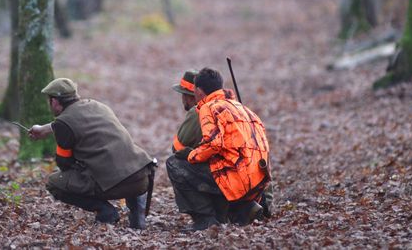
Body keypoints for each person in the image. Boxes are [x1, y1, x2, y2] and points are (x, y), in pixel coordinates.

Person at [29, 78, 155, 230]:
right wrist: (45, 129)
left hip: (115, 185)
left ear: (55, 102)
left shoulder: (63, 123)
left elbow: (64, 164)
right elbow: (72, 121)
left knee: (55, 183)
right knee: (125, 165)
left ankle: (105, 211)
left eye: (49, 101)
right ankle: (137, 217)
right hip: (142, 178)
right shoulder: (98, 106)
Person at [168, 67, 272, 230]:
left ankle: (206, 220)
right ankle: (242, 209)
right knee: (219, 163)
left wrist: (192, 155)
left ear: (199, 92)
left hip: (236, 180)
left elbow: (213, 144)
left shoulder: (208, 108)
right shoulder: (241, 108)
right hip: (259, 183)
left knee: (175, 164)